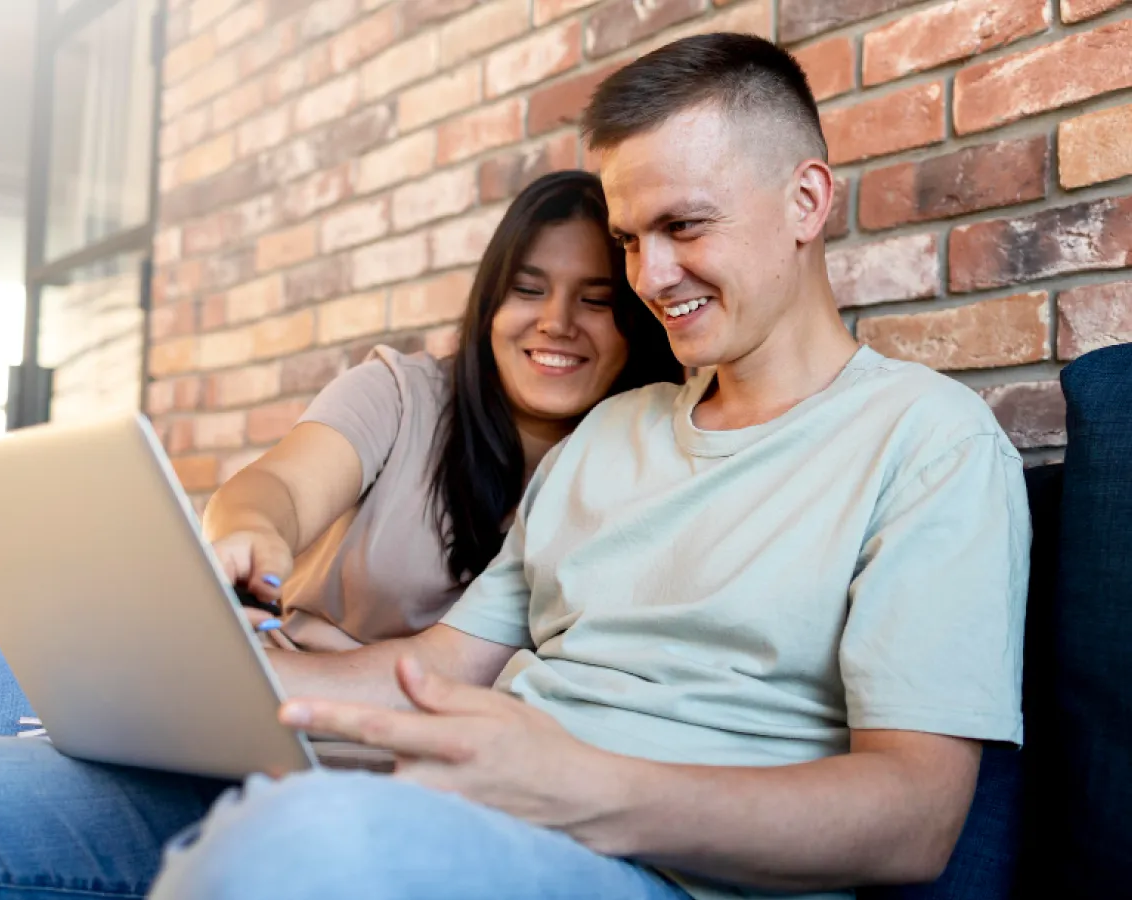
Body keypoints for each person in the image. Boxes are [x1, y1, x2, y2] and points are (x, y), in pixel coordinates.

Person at [142, 32, 1031, 900]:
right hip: (476, 821)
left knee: (289, 842)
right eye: (633, 239)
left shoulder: (930, 442)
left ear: (806, 202)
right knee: (39, 770)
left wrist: (579, 787)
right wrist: (178, 678)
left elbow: (918, 818)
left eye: (684, 226)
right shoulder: (608, 434)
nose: (652, 275)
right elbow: (440, 668)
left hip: (660, 868)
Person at [0, 169, 680, 738]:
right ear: (489, 304)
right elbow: (282, 486)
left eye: (596, 299)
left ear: (638, 321)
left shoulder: (636, 465)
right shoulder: (404, 393)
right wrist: (254, 530)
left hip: (383, 763)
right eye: (527, 289)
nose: (555, 323)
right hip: (252, 691)